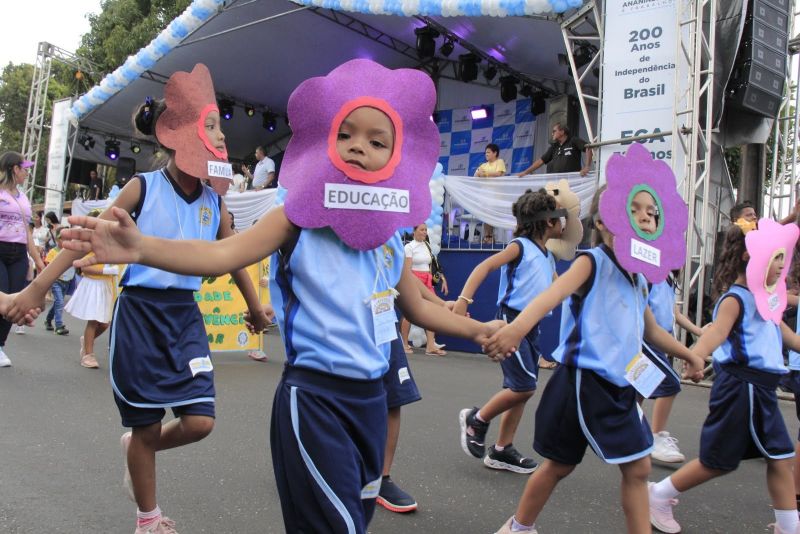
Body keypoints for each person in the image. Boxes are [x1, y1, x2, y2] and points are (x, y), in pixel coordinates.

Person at [52, 59, 503, 534]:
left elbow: (417, 305)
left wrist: (479, 329)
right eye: (345, 133)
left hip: (372, 401)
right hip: (314, 400)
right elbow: (222, 255)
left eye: (376, 140)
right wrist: (141, 246)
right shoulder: (294, 218)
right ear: (324, 141)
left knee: (358, 518)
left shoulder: (388, 237)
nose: (358, 147)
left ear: (396, 156)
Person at [7, 64, 267, 534]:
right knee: (147, 426)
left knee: (199, 422)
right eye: (211, 126)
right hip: (140, 315)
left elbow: (232, 257)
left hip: (185, 319)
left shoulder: (215, 202)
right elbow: (84, 237)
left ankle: (136, 448)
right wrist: (36, 288)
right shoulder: (142, 187)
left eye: (221, 129)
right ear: (178, 133)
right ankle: (148, 518)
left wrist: (253, 308)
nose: (220, 138)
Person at [484, 185, 705, 534]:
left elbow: (651, 330)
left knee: (638, 468)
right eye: (635, 209)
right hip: (582, 384)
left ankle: (520, 527)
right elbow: (550, 296)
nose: (647, 215)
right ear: (603, 221)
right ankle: (519, 527)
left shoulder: (639, 277)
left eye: (652, 210)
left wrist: (690, 353)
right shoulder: (592, 262)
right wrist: (516, 329)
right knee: (559, 466)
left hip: (621, 386)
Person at [648, 221, 800, 534]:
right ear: (750, 256)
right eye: (776, 258)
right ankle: (658, 494)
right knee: (717, 460)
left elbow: (786, 334)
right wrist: (696, 356)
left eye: (784, 259)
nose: (782, 266)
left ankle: (789, 526)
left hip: (762, 390)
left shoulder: (767, 299)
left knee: (781, 457)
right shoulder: (736, 299)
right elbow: (716, 331)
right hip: (740, 388)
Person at [453, 189, 564, 474]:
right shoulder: (521, 246)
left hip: (531, 325)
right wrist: (464, 302)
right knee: (524, 387)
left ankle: (502, 450)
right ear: (547, 221)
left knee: (520, 390)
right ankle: (477, 419)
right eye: (560, 216)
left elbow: (561, 289)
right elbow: (485, 265)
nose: (565, 222)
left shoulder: (548, 256)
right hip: (510, 323)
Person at [641, 275, 704, 464]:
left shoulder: (667, 279)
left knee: (637, 392)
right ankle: (657, 437)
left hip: (660, 342)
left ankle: (630, 432)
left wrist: (699, 331)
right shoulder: (649, 276)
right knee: (671, 383)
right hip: (646, 342)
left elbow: (675, 314)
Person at [0, 151, 46, 366]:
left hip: (18, 252)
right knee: (2, 297)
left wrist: (38, 260)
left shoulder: (23, 197)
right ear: (14, 169)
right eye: (24, 168)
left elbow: (27, 232)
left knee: (16, 299)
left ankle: (0, 346)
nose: (27, 172)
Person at [64, 209, 123, 369]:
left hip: (107, 286)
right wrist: (105, 270)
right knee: (94, 320)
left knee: (105, 323)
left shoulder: (116, 244)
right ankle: (88, 354)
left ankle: (86, 340)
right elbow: (84, 267)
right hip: (94, 285)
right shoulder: (93, 243)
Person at [400, 223, 448, 356]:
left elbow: (432, 265)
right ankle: (404, 344)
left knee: (431, 312)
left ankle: (430, 345)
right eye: (421, 230)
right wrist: (409, 285)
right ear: (414, 231)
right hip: (414, 280)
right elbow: (407, 269)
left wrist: (441, 278)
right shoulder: (409, 247)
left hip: (427, 281)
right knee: (409, 312)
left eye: (426, 230)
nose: (424, 232)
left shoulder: (427, 245)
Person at [517, 122, 592, 177]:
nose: (552, 134)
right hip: (557, 181)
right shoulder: (554, 146)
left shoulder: (573, 140)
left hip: (573, 180)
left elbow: (588, 148)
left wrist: (587, 167)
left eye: (554, 131)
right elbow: (541, 161)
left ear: (562, 132)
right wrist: (526, 172)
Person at [43, 230, 75, 336]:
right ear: (57, 239)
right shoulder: (53, 252)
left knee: (57, 303)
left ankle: (48, 320)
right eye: (62, 238)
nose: (65, 241)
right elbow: (48, 265)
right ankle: (59, 326)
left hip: (67, 281)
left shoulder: (72, 252)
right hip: (56, 280)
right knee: (60, 302)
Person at [474, 143, 507, 244]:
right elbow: (476, 175)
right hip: (485, 195)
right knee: (485, 216)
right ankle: (487, 236)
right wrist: (480, 174)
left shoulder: (499, 162)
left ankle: (490, 236)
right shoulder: (483, 165)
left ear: (495, 153)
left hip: (495, 195)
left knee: (490, 216)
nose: (486, 154)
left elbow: (499, 174)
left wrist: (485, 174)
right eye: (485, 152)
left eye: (488, 152)